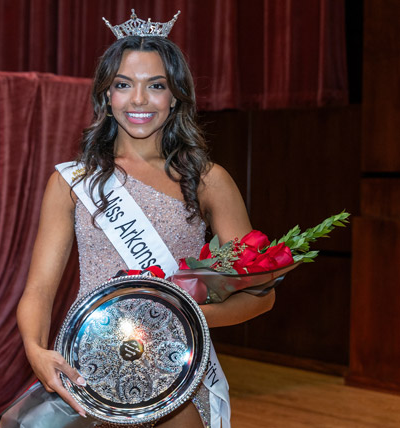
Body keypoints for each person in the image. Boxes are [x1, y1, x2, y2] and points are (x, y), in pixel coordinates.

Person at [17, 13, 275, 428]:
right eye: (123, 85)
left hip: (178, 379)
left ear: (175, 97)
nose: (138, 100)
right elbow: (40, 289)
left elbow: (261, 295)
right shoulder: (71, 182)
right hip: (93, 372)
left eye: (155, 86)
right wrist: (34, 349)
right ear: (106, 96)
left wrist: (177, 316)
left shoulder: (210, 181)